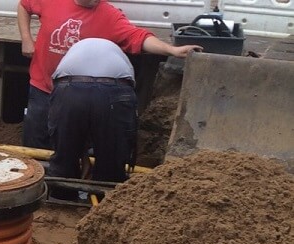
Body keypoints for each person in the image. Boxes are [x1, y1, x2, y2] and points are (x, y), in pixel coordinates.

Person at [17, 0, 201, 149]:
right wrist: (26, 38)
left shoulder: (108, 15)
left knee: (70, 145)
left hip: (75, 96)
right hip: (42, 86)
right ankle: (36, 188)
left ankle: (67, 188)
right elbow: (24, 6)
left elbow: (138, 37)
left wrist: (171, 50)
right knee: (35, 143)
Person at [48, 38, 138, 185]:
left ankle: (61, 195)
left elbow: (79, 120)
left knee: (65, 153)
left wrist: (81, 153)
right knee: (112, 156)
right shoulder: (117, 52)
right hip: (115, 90)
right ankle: (108, 201)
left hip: (70, 88)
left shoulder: (74, 50)